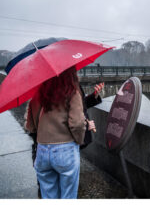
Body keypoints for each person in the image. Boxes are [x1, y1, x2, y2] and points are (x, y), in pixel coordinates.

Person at [25, 66, 97, 199]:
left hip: (42, 150)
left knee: (48, 196)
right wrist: (78, 141)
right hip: (65, 149)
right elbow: (77, 123)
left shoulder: (37, 93)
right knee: (68, 196)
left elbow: (30, 125)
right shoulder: (71, 91)